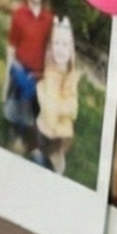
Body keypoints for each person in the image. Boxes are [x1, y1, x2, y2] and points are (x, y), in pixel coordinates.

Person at [2, 0, 53, 157]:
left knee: (32, 102)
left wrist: (45, 75)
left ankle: (31, 135)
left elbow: (49, 51)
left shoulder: (48, 19)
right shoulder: (19, 14)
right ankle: (17, 130)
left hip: (37, 74)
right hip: (20, 69)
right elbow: (11, 47)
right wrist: (7, 78)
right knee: (18, 93)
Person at [34, 17, 81, 175]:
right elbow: (43, 94)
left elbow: (73, 108)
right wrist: (43, 94)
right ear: (51, 46)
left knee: (56, 158)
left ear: (70, 49)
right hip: (44, 126)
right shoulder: (49, 72)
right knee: (42, 150)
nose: (60, 49)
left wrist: (57, 107)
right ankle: (41, 155)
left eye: (65, 45)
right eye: (57, 44)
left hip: (61, 132)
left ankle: (56, 164)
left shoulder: (71, 78)